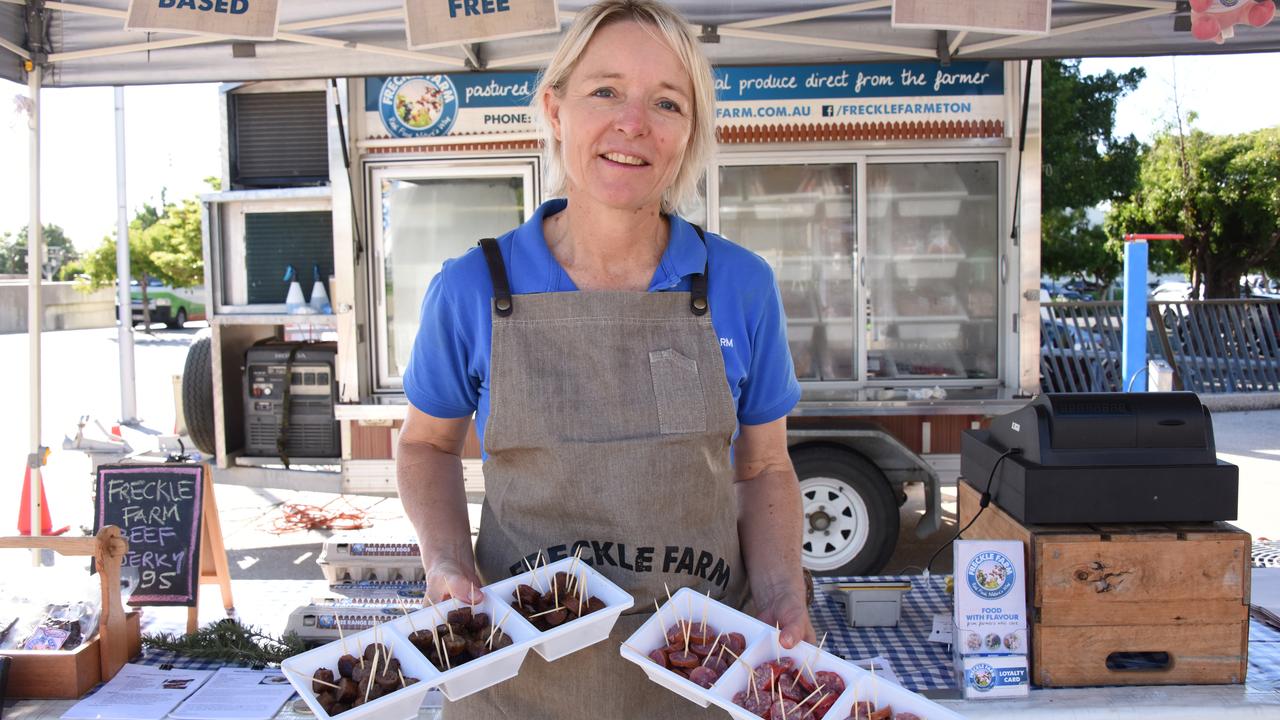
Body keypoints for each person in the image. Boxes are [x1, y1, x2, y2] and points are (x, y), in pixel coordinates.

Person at [396, 1, 814, 717]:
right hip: (520, 674)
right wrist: (447, 562)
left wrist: (782, 596)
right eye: (605, 91)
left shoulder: (740, 285)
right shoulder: (471, 287)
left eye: (667, 102)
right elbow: (426, 446)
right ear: (555, 110)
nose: (634, 122)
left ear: (690, 133)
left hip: (701, 671)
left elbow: (766, 465)